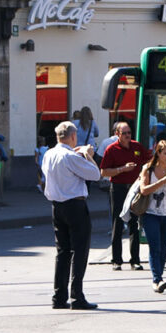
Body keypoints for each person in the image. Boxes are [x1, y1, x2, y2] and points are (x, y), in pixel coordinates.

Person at [42, 121, 102, 310]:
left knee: (63, 252)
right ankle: (77, 296)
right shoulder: (70, 156)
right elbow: (95, 174)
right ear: (73, 137)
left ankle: (59, 296)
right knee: (80, 251)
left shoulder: (49, 154)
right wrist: (88, 155)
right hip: (75, 205)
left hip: (57, 206)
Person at [100, 121, 149, 270]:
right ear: (117, 134)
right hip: (118, 188)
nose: (128, 136)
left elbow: (148, 162)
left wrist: (143, 175)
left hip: (134, 189)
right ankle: (116, 260)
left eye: (129, 133)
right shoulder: (111, 149)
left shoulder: (137, 147)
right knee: (118, 222)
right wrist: (122, 169)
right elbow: (104, 172)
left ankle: (135, 260)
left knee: (134, 223)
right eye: (124, 133)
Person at [139, 139, 166, 293]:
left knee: (163, 248)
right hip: (150, 213)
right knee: (154, 247)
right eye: (165, 154)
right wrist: (163, 180)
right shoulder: (148, 169)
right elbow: (144, 190)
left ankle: (159, 277)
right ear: (158, 153)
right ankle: (157, 279)